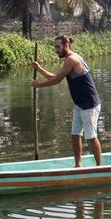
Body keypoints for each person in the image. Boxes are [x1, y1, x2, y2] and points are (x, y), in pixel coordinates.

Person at [32, 34, 103, 167]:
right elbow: (56, 76)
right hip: (79, 104)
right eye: (55, 47)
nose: (56, 50)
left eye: (58, 47)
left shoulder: (72, 59)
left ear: (66, 45)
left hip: (89, 104)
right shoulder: (69, 60)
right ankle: (78, 165)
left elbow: (56, 81)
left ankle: (100, 168)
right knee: (75, 135)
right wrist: (39, 69)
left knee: (91, 137)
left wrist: (39, 85)